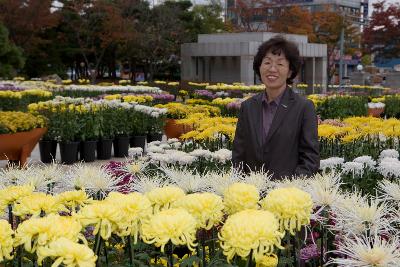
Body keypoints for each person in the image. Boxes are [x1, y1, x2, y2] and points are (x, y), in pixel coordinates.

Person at [232, 36, 319, 179]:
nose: (272, 69)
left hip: (287, 195)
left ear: (290, 71)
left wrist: (291, 190)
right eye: (267, 62)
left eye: (280, 64)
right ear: (259, 67)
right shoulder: (248, 107)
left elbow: (310, 159)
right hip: (251, 194)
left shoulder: (303, 107)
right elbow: (239, 155)